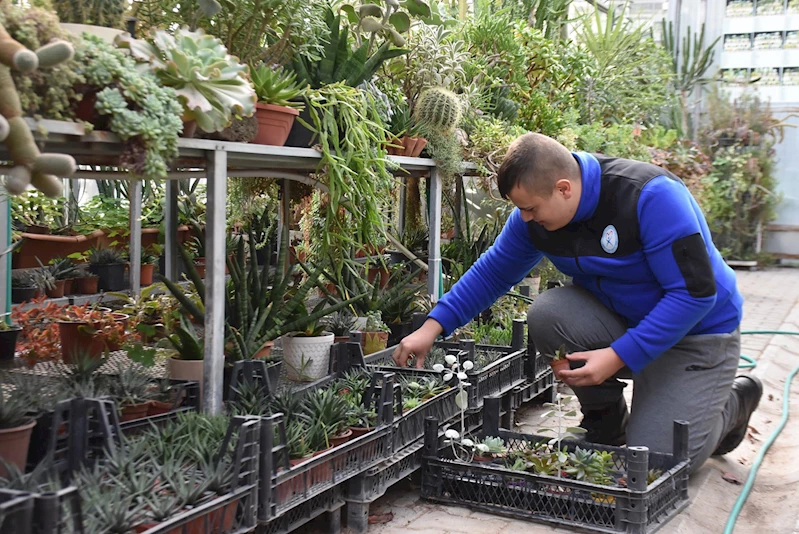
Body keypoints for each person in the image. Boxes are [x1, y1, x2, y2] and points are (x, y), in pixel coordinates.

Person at [392, 132, 763, 472]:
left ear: (564, 189)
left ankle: (732, 404)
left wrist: (618, 356)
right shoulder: (535, 218)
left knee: (660, 461)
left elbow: (694, 294)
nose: (525, 218)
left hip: (694, 336)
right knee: (549, 314)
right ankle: (605, 423)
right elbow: (493, 272)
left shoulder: (650, 196)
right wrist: (433, 326)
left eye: (531, 208)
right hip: (624, 320)